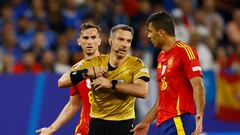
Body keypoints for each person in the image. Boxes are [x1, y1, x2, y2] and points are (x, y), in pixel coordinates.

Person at [61, 24, 150, 135]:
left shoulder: (135, 64)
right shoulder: (96, 62)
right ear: (110, 41)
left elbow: (143, 91)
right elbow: (62, 82)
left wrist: (112, 85)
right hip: (98, 125)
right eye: (120, 39)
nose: (124, 45)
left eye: (128, 41)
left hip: (124, 125)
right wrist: (86, 72)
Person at [131, 11, 206, 135]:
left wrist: (199, 116)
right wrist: (146, 122)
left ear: (161, 33)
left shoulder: (185, 51)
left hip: (179, 121)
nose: (148, 36)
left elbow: (198, 85)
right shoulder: (161, 56)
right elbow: (163, 98)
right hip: (164, 124)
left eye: (150, 31)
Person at [36, 23, 102, 135]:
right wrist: (51, 129)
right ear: (79, 41)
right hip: (85, 130)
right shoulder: (76, 70)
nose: (89, 41)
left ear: (99, 41)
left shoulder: (110, 65)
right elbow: (73, 104)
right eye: (85, 38)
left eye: (93, 37)